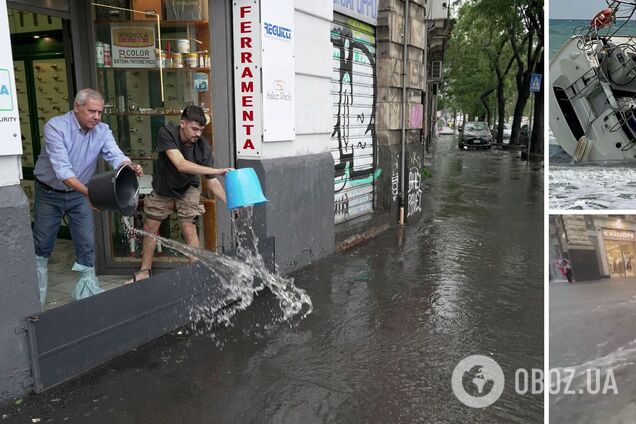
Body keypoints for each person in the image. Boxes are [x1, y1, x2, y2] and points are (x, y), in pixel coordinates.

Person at [33, 88, 143, 308]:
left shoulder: (102, 130)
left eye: (100, 112)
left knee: (86, 245)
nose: (97, 117)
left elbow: (115, 155)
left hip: (78, 195)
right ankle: (38, 306)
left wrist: (129, 167)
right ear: (77, 107)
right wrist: (90, 194)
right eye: (92, 111)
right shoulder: (56, 127)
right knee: (42, 246)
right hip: (49, 193)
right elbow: (63, 171)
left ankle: (88, 303)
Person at [129, 105, 232, 283]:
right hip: (163, 187)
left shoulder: (203, 148)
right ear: (182, 123)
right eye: (194, 128)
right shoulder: (167, 133)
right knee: (150, 228)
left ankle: (196, 273)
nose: (198, 134)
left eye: (201, 130)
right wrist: (217, 169)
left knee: (188, 227)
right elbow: (180, 164)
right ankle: (145, 271)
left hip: (188, 187)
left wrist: (231, 203)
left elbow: (212, 181)